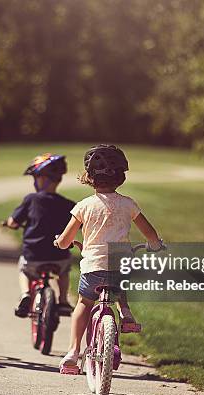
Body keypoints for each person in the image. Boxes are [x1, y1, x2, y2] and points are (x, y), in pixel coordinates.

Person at [53, 144, 165, 374]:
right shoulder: (128, 204)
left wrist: (61, 243)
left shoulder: (84, 206)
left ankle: (73, 352)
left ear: (89, 178)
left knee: (84, 304)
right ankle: (125, 313)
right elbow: (149, 232)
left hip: (93, 268)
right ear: (121, 177)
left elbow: (65, 240)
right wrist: (155, 244)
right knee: (119, 280)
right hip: (119, 265)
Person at [5, 154, 76, 318]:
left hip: (34, 256)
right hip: (59, 256)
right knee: (64, 271)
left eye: (35, 178)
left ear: (43, 179)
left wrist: (9, 223)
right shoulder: (67, 204)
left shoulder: (31, 200)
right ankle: (63, 301)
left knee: (23, 269)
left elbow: (13, 222)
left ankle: (25, 295)